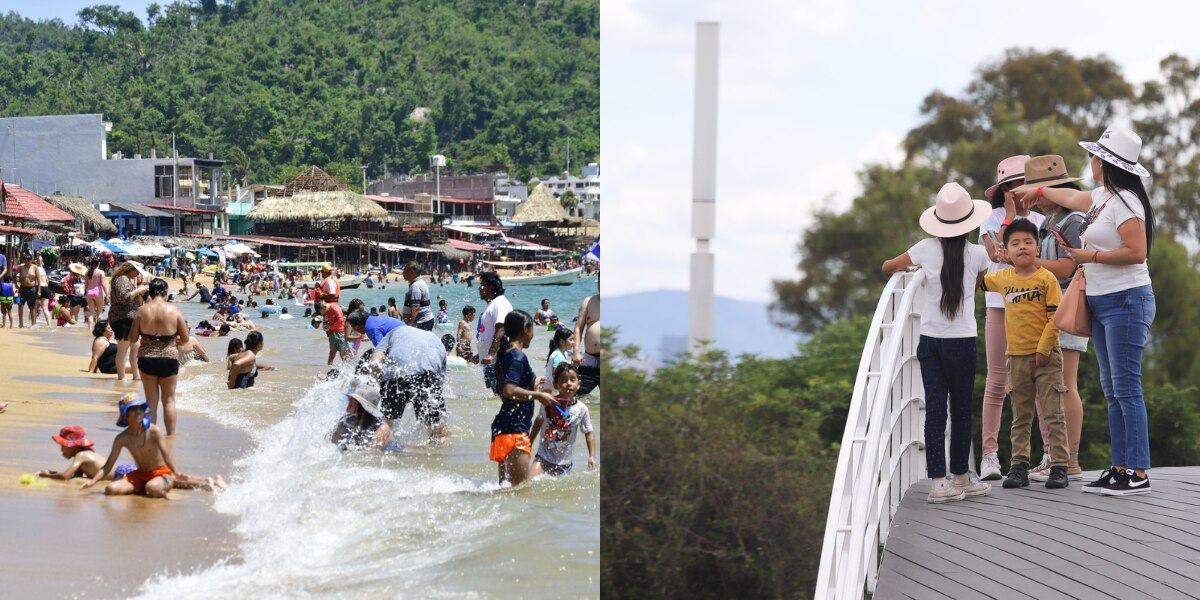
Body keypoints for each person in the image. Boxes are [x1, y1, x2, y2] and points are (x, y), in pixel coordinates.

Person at [1017, 125, 1158, 496]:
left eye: (1095, 157)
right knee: (1112, 389)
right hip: (1103, 300)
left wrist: (1088, 256)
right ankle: (1121, 466)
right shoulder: (1102, 197)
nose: (1091, 162)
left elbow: (1137, 252)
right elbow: (1071, 198)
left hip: (1127, 300)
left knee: (1127, 389)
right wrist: (1039, 190)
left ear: (1106, 163)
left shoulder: (1126, 202)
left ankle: (1138, 472)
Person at [882, 182, 992, 503]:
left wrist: (913, 268)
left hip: (930, 342)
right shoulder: (979, 255)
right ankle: (961, 476)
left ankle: (938, 483)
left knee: (934, 411)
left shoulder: (925, 250)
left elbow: (888, 266)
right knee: (960, 411)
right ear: (969, 221)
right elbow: (981, 282)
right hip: (963, 342)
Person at [979, 219, 1070, 490]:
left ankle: (1060, 466)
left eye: (1028, 243)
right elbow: (976, 281)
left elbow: (1056, 317)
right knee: (1020, 415)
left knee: (1053, 412)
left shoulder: (1046, 278)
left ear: (1038, 248)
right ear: (1006, 251)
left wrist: (1043, 349)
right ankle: (1019, 466)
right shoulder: (1002, 278)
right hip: (1015, 356)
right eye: (1015, 243)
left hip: (1046, 356)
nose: (1022, 248)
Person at [977, 155, 1049, 482]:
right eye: (1012, 185)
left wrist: (1015, 250)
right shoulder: (990, 219)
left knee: (1038, 379)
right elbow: (998, 254)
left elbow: (1029, 259)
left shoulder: (1041, 220)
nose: (1019, 190)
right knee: (997, 380)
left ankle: (1049, 453)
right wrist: (1008, 218)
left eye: (1024, 183)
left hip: (1032, 306)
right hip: (999, 304)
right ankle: (990, 456)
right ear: (1003, 189)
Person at [1017, 155, 1089, 482]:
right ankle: (1055, 457)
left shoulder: (1072, 220)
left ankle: (1069, 461)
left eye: (1036, 191)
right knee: (1050, 385)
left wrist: (1032, 264)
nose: (1033, 198)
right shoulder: (1050, 221)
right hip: (1050, 312)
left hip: (1068, 307)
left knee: (1064, 384)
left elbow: (1070, 266)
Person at [489, 310, 556, 486]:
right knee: (519, 491)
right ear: (526, 329)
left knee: (505, 489)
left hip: (504, 428)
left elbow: (512, 389)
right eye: (532, 330)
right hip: (515, 430)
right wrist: (538, 395)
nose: (533, 336)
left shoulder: (508, 353)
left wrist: (533, 383)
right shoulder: (517, 356)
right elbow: (509, 390)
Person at [81, 394, 178, 498]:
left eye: (140, 408)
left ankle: (170, 481)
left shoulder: (153, 431)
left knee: (152, 488)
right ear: (125, 415)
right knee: (110, 489)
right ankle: (147, 486)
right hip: (140, 475)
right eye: (133, 409)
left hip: (161, 472)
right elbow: (108, 466)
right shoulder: (122, 438)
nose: (138, 411)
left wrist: (176, 472)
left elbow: (167, 457)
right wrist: (93, 481)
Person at [368, 322, 449, 444]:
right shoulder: (437, 341)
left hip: (395, 376)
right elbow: (439, 381)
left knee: (387, 423)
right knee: (437, 427)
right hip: (428, 374)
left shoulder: (394, 331)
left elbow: (375, 361)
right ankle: (437, 458)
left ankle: (374, 455)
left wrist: (382, 385)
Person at [130, 278, 189, 435]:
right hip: (169, 358)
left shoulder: (142, 311)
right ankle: (170, 436)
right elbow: (185, 338)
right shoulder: (174, 310)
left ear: (150, 291)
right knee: (169, 401)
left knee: (151, 401)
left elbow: (133, 338)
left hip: (147, 358)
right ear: (166, 291)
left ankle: (150, 436)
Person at [529, 363, 595, 477]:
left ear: (578, 384)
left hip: (565, 463)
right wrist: (528, 444)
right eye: (563, 380)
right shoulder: (548, 402)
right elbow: (538, 422)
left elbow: (589, 432)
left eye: (572, 380)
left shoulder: (582, 409)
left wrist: (591, 456)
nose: (568, 383)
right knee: (529, 481)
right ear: (556, 384)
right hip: (543, 456)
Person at [108, 261, 151, 382]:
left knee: (135, 347)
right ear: (130, 268)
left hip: (129, 318)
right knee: (123, 348)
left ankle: (136, 376)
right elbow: (124, 297)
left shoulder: (126, 279)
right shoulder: (121, 279)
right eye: (137, 270)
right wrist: (139, 290)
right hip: (122, 317)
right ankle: (121, 378)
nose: (138, 274)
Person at [330, 381, 394, 452]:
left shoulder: (381, 429)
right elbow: (331, 445)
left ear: (362, 406)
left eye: (352, 403)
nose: (347, 408)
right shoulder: (345, 422)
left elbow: (372, 455)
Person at [476, 272, 513, 393]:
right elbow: (488, 332)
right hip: (491, 360)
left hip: (497, 360)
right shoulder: (491, 304)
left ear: (491, 287)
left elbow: (501, 329)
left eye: (482, 285)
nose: (479, 288)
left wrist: (491, 354)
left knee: (501, 394)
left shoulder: (500, 303)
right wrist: (479, 355)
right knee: (496, 394)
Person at [37, 426, 105, 481]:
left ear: (73, 446)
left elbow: (65, 476)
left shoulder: (81, 455)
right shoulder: (84, 455)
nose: (61, 449)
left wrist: (47, 475)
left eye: (63, 445)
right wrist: (54, 473)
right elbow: (76, 476)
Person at [573, 274, 600, 396]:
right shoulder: (588, 301)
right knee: (576, 396)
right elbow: (578, 328)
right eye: (600, 281)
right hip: (588, 359)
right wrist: (576, 352)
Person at [315, 300, 350, 365]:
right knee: (332, 352)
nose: (323, 313)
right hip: (332, 333)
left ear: (324, 307)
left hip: (340, 333)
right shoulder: (327, 310)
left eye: (322, 311)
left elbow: (341, 320)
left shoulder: (334, 307)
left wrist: (330, 327)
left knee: (342, 352)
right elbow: (331, 321)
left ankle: (346, 368)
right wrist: (326, 326)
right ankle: (328, 368)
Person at [402, 261, 435, 330]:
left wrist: (409, 326)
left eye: (405, 271)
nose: (403, 273)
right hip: (424, 321)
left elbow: (415, 308)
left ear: (412, 272)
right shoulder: (420, 283)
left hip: (422, 322)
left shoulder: (416, 286)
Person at [16, 251, 41, 327]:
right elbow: (14, 276)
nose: (26, 262)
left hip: (32, 289)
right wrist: (16, 285)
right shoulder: (21, 267)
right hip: (22, 289)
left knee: (32, 307)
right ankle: (21, 324)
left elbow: (39, 280)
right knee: (20, 305)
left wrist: (39, 291)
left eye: (28, 261)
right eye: (25, 261)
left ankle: (33, 324)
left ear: (31, 260)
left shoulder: (35, 267)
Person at [84, 257, 107, 326]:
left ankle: (89, 330)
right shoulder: (101, 272)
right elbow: (103, 284)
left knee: (91, 313)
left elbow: (86, 285)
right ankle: (99, 330)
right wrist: (107, 294)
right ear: (98, 263)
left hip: (89, 292)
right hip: (98, 293)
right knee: (99, 313)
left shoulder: (87, 272)